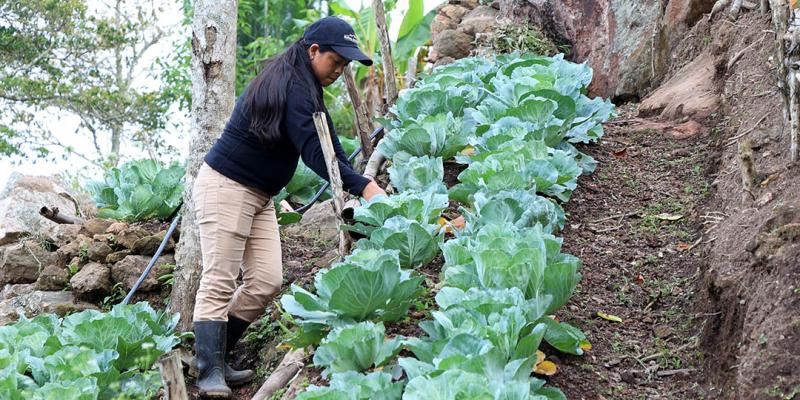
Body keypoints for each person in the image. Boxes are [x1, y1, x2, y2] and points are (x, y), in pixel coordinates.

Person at [191, 16, 386, 398]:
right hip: (227, 187)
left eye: (345, 64)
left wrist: (353, 174)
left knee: (266, 280)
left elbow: (326, 135)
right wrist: (363, 186)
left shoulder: (304, 83)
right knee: (219, 279)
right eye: (337, 61)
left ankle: (218, 357)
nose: (340, 70)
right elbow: (316, 152)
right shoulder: (294, 86)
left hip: (261, 195)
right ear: (314, 50)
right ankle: (207, 371)